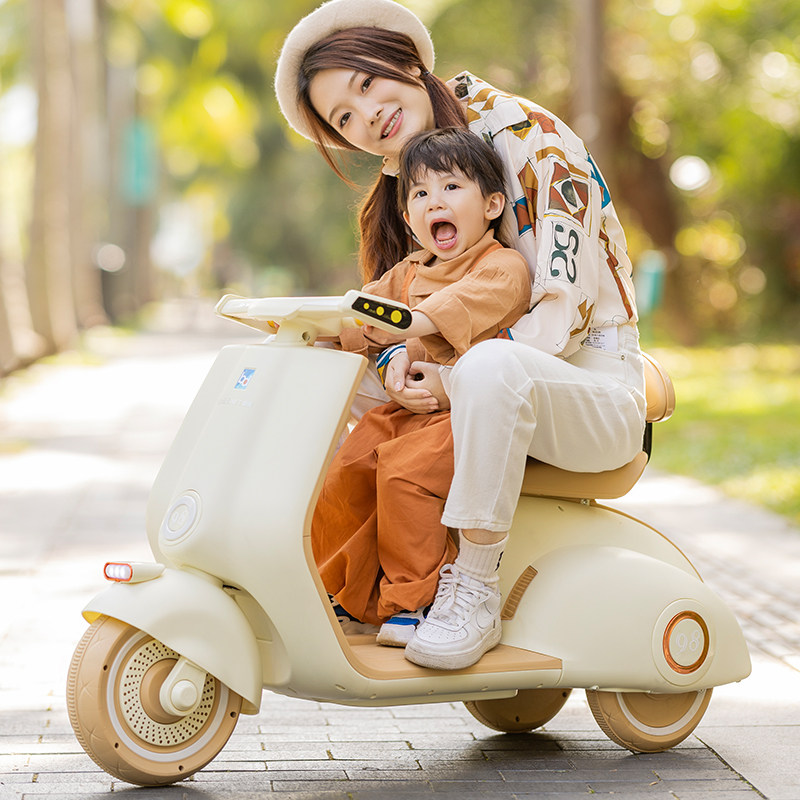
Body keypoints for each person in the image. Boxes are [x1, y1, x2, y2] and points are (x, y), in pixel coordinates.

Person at [276, 0, 648, 670]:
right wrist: (393, 360)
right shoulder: (410, 189)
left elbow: (561, 312)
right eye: (345, 119)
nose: (369, 117)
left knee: (486, 369)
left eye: (367, 84)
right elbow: (398, 312)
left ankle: (471, 588)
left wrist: (450, 379)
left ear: (405, 60)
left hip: (586, 380)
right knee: (318, 365)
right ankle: (332, 573)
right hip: (467, 387)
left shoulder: (529, 136)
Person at [312, 127, 531, 649]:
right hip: (407, 411)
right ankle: (343, 590)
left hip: (468, 418)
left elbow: (448, 310)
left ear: (492, 205)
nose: (435, 201)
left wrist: (404, 329)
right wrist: (317, 327)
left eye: (451, 187)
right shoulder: (409, 272)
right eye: (420, 193)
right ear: (410, 220)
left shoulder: (501, 266)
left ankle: (417, 599)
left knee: (404, 477)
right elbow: (358, 314)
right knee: (348, 466)